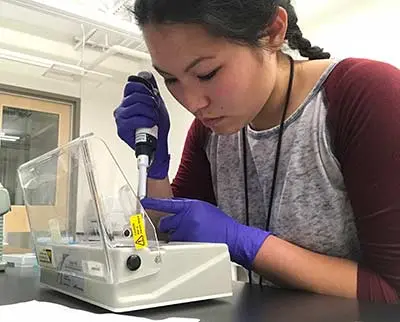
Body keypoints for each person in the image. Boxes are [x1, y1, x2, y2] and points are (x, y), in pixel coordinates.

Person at [114, 0, 400, 303]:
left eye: (207, 74)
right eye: (171, 79)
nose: (193, 103)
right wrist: (155, 169)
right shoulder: (210, 132)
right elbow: (169, 237)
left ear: (272, 31)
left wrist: (248, 243)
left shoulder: (365, 96)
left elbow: (392, 291)